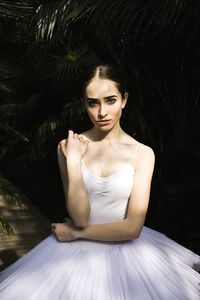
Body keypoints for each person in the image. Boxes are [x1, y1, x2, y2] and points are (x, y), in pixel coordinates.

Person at [0, 64, 199, 300]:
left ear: (124, 100)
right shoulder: (68, 147)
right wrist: (74, 162)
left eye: (110, 100)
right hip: (71, 257)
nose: (102, 111)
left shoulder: (142, 154)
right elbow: (80, 217)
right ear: (84, 104)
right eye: (93, 103)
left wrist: (76, 234)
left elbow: (132, 228)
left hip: (129, 257)